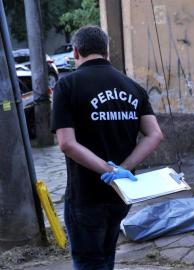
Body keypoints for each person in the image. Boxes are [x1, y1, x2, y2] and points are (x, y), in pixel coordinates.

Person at [51, 25, 163, 270]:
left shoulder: (67, 86)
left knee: (88, 262)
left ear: (76, 53)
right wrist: (122, 170)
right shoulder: (133, 87)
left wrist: (107, 171)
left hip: (86, 196)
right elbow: (154, 135)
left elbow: (67, 144)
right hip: (122, 194)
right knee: (106, 257)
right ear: (107, 52)